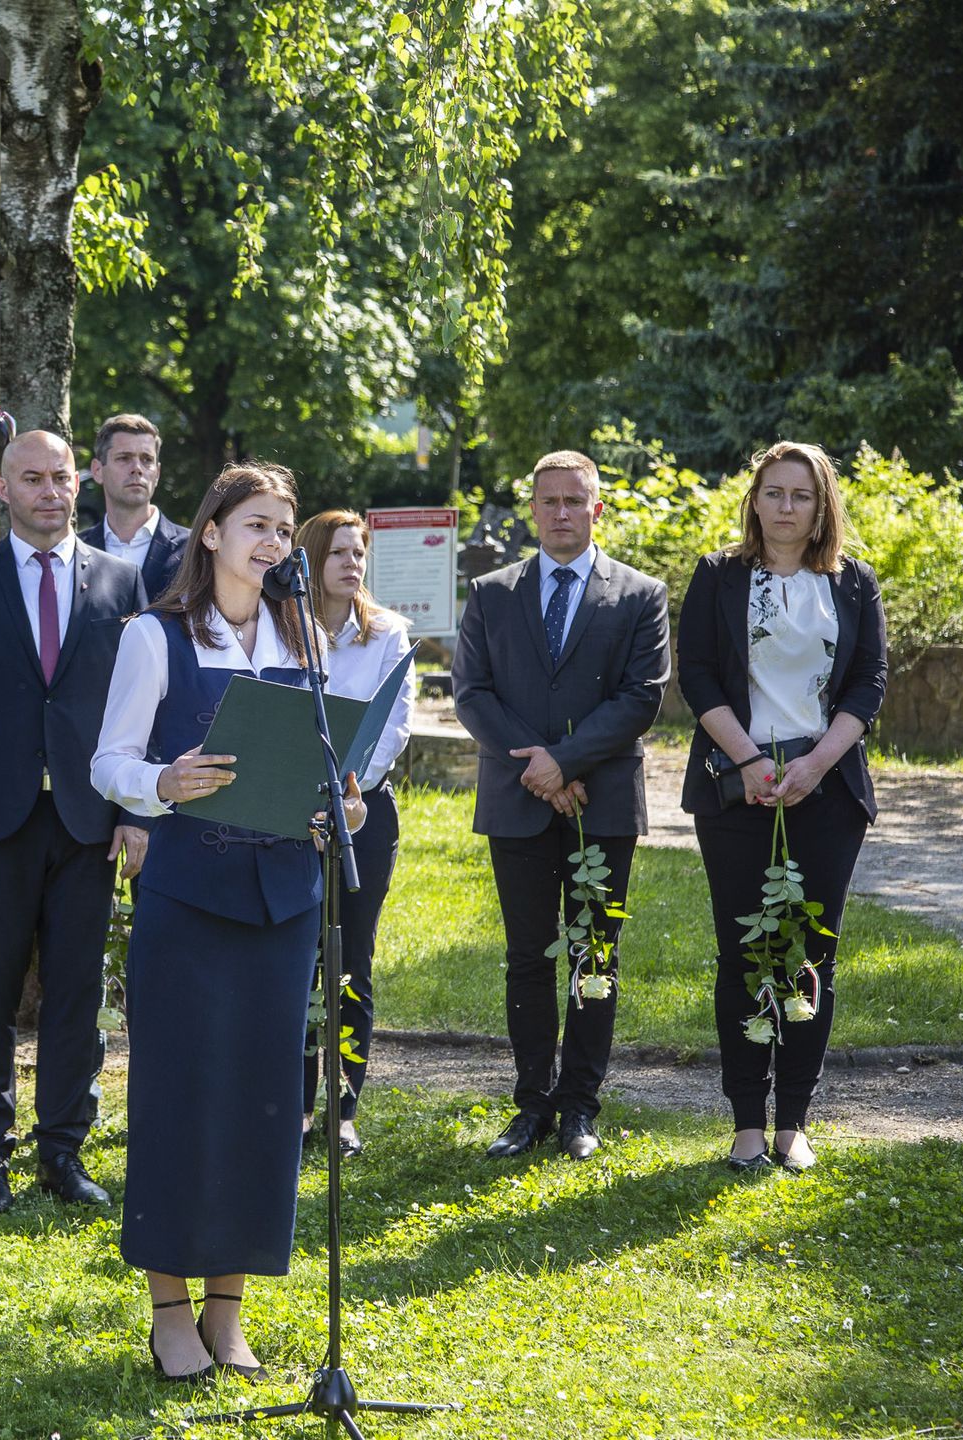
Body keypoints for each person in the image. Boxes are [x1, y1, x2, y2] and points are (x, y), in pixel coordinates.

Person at [92, 462, 364, 1382]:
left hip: (285, 905)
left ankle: (229, 1308)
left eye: (285, 530)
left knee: (262, 1107)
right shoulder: (154, 637)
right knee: (179, 1100)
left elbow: (333, 775)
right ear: (210, 533)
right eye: (257, 524)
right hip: (187, 902)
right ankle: (171, 1310)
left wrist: (345, 808)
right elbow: (110, 763)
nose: (274, 544)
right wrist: (161, 782)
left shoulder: (305, 645)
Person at [0, 428, 149, 1214]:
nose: (50, 492)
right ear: (3, 491)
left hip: (88, 818)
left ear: (78, 484)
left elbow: (140, 707)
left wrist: (134, 810)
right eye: (33, 479)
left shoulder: (121, 581)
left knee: (78, 991)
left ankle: (63, 1151)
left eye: (61, 478)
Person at [452, 449, 669, 1161]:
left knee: (593, 954)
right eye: (550, 502)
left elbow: (641, 696)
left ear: (596, 507)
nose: (563, 513)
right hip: (518, 803)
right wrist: (542, 770)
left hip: (601, 802)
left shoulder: (639, 594)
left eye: (576, 501)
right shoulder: (490, 594)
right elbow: (472, 694)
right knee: (525, 959)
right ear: (533, 509)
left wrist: (567, 763)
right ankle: (531, 1105)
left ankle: (579, 1107)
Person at [676, 442, 886, 1173]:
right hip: (739, 787)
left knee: (810, 955)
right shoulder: (717, 576)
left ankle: (794, 1121)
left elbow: (869, 682)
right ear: (754, 500)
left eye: (801, 495)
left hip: (827, 792)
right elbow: (696, 673)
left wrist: (816, 762)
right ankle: (744, 1122)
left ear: (822, 504)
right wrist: (751, 759)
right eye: (774, 493)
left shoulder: (853, 584)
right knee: (742, 955)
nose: (786, 507)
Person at [296, 509, 414, 1158]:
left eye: (360, 552)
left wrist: (345, 788)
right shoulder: (286, 628)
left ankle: (342, 1108)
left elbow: (393, 726)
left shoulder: (389, 633)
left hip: (364, 810)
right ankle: (294, 1110)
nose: (352, 563)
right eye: (339, 552)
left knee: (348, 961)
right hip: (295, 814)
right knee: (298, 959)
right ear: (313, 559)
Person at [79, 413, 187, 600]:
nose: (137, 468)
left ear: (158, 473)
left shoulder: (193, 548)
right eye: (124, 458)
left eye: (146, 459)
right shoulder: (76, 550)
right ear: (97, 470)